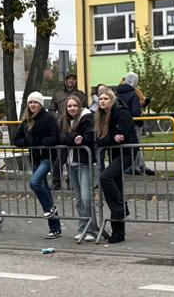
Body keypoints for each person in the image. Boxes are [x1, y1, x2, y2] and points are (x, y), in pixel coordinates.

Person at [12, 91, 63, 237]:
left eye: (35, 102)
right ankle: (55, 228)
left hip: (47, 157)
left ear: (40, 104)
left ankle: (49, 209)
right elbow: (17, 139)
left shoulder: (49, 118)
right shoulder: (27, 120)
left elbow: (56, 137)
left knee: (34, 182)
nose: (32, 105)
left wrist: (41, 142)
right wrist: (28, 142)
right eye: (30, 102)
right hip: (35, 158)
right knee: (44, 189)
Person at [91, 86, 135, 245]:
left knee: (105, 177)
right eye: (100, 99)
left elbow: (121, 136)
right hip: (114, 154)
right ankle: (119, 232)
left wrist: (110, 138)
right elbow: (99, 139)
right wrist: (111, 138)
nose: (102, 101)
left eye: (106, 99)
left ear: (112, 100)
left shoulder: (121, 112)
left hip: (127, 153)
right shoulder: (100, 116)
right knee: (116, 187)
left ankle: (120, 209)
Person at [60, 94, 100, 242]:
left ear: (80, 106)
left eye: (75, 105)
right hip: (71, 164)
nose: (72, 108)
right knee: (78, 199)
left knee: (86, 198)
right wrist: (74, 137)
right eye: (69, 106)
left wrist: (71, 136)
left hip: (84, 162)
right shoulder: (64, 120)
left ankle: (91, 230)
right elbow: (61, 137)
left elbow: (87, 139)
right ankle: (83, 228)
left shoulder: (87, 118)